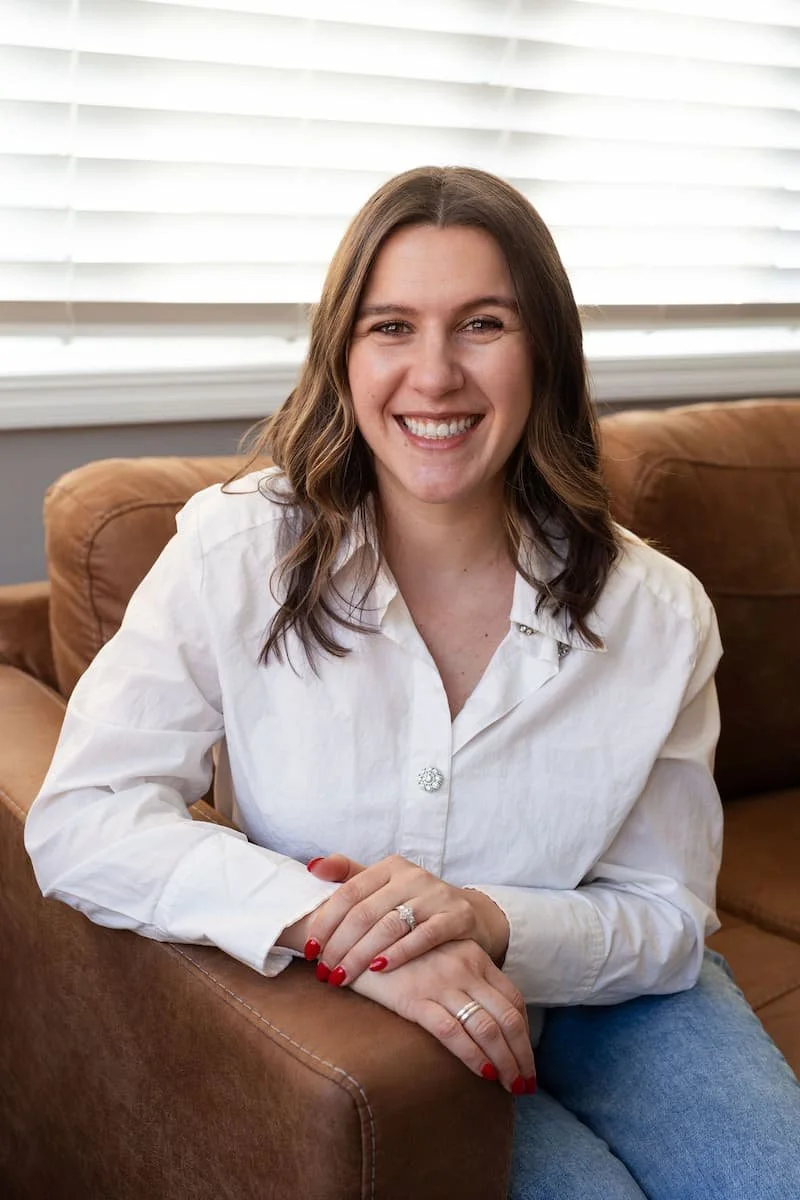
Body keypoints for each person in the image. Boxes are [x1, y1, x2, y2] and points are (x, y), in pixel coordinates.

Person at [25, 166, 799, 1197]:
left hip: (614, 997)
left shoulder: (656, 615)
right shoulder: (236, 550)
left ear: (544, 357)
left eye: (481, 324)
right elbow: (82, 817)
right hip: (376, 1013)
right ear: (343, 355)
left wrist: (483, 919)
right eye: (391, 326)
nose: (433, 376)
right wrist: (339, 930)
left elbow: (662, 916)